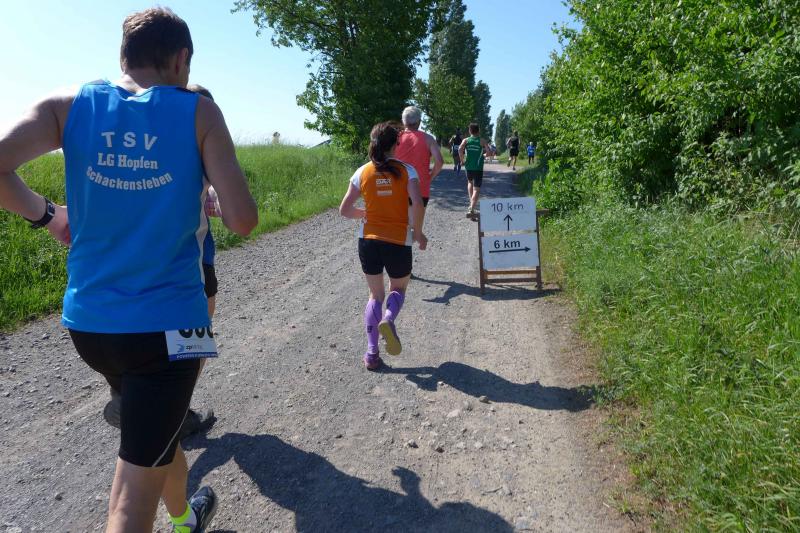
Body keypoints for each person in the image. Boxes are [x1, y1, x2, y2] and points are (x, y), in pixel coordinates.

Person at [0, 8, 258, 532]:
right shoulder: (199, 113)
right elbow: (243, 220)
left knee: (156, 433)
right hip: (172, 328)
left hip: (91, 326)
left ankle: (185, 517)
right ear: (181, 59)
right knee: (128, 504)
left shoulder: (68, 106)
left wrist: (49, 216)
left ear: (124, 57)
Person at [101, 84, 220, 441]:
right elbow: (238, 214)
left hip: (137, 262)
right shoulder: (204, 147)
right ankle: (176, 411)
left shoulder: (152, 147)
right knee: (196, 337)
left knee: (149, 334)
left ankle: (133, 397)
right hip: (191, 261)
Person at [339, 122, 428, 370]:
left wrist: (364, 214)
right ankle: (389, 318)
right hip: (398, 240)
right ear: (396, 144)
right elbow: (417, 204)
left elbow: (344, 210)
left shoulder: (362, 171)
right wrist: (418, 232)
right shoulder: (407, 170)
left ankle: (371, 353)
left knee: (375, 295)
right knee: (398, 289)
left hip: (368, 241)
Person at [395, 106, 443, 228]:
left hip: (397, 187)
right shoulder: (428, 139)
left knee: (399, 227)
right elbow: (439, 161)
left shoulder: (395, 138)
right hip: (420, 188)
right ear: (419, 122)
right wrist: (430, 177)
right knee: (415, 228)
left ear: (403, 122)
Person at [458, 123, 489, 218]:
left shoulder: (466, 140)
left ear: (470, 131)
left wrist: (462, 160)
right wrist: (484, 155)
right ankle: (471, 208)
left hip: (468, 167)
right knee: (476, 189)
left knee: (470, 182)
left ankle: (471, 205)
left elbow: (460, 149)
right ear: (478, 131)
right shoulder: (482, 141)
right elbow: (489, 152)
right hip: (478, 168)